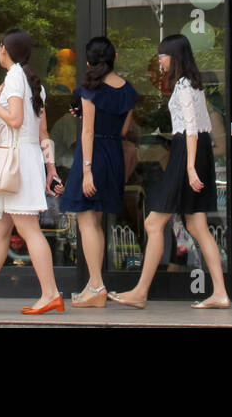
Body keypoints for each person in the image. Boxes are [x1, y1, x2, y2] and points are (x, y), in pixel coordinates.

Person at [109, 34, 230, 310]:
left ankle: (140, 292)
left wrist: (188, 167)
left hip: (186, 154)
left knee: (153, 223)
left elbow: (189, 129)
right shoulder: (192, 84)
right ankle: (220, 293)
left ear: (174, 57)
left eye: (162, 55)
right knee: (197, 226)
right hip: (193, 152)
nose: (159, 59)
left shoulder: (185, 86)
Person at [0, 29, 64, 315]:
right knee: (0, 229)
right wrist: (50, 169)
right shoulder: (34, 83)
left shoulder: (15, 77)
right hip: (25, 162)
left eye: (0, 46)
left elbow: (16, 121)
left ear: (4, 49)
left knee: (29, 230)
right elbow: (43, 132)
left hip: (16, 163)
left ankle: (51, 293)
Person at [59, 36, 137, 307]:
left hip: (92, 157)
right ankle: (95, 285)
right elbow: (123, 130)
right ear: (114, 58)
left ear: (90, 61)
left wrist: (88, 170)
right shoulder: (128, 90)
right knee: (96, 220)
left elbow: (88, 131)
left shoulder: (89, 89)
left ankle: (96, 286)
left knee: (85, 219)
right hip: (113, 153)